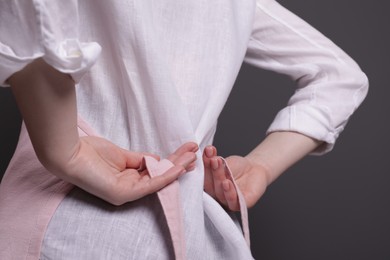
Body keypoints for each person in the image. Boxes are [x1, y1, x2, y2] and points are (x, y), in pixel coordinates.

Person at [0, 0, 368, 259]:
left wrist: (66, 150)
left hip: (71, 230)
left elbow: (31, 13)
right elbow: (341, 76)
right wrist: (262, 166)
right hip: (191, 243)